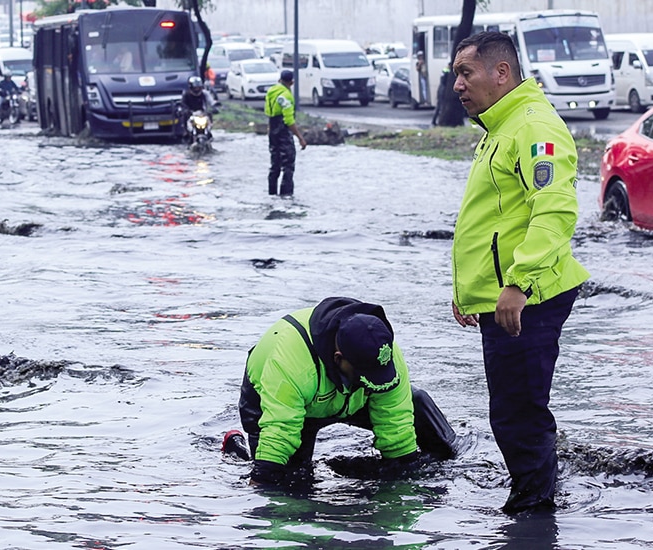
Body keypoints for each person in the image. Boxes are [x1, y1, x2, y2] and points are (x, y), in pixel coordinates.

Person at [448, 31, 590, 515]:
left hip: (530, 296)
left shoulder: (532, 125)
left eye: (466, 73)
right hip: (505, 296)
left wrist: (517, 283)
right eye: (456, 76)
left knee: (518, 412)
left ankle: (533, 512)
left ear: (501, 72)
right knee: (510, 410)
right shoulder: (500, 128)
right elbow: (491, 221)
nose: (458, 86)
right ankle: (533, 494)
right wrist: (469, 292)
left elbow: (554, 211)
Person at [228, 296, 461, 488]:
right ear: (339, 359)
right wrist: (260, 481)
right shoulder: (292, 364)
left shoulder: (381, 351)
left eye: (377, 376)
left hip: (346, 398)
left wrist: (405, 479)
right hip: (283, 403)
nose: (373, 382)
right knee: (289, 484)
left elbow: (396, 422)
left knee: (416, 402)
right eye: (366, 376)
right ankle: (234, 447)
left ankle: (455, 456)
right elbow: (280, 431)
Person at [264, 70, 307, 197]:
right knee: (288, 165)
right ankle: (286, 196)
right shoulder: (286, 96)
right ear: (292, 82)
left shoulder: (271, 91)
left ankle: (271, 194)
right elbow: (289, 121)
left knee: (274, 164)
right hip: (283, 132)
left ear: (279, 80)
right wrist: (300, 138)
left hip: (272, 130)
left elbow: (268, 112)